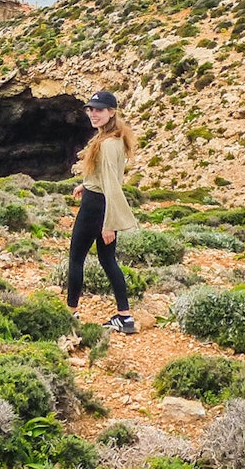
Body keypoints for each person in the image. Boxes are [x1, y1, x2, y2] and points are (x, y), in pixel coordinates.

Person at [67, 90, 139, 334]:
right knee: (108, 261)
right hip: (98, 199)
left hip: (97, 207)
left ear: (111, 112)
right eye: (91, 109)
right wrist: (86, 184)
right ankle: (124, 317)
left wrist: (109, 223)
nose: (93, 114)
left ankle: (71, 313)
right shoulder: (114, 138)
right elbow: (106, 176)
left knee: (76, 258)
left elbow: (112, 185)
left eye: (99, 109)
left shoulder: (107, 144)